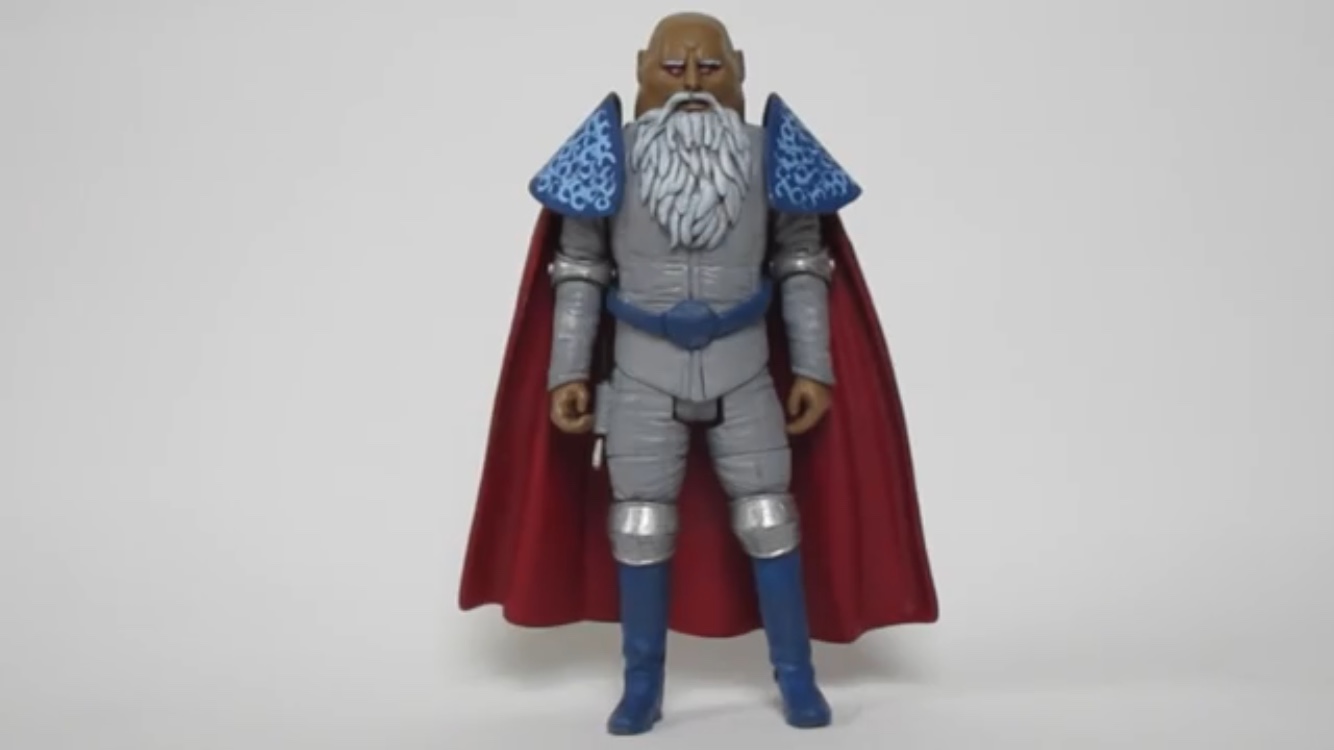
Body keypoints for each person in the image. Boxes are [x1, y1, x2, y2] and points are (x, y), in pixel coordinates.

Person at [459, 12, 938, 735]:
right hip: (640, 370)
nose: (690, 84)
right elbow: (579, 269)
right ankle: (641, 687)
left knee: (770, 517)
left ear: (738, 68)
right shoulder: (611, 155)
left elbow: (803, 263)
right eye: (672, 67)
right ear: (641, 68)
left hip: (744, 368)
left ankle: (796, 678)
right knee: (640, 524)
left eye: (709, 68)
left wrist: (813, 367)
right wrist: (567, 372)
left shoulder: (768, 155)